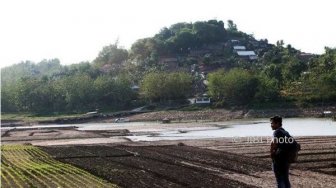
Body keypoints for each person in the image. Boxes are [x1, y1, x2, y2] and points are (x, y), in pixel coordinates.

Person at [270, 116, 291, 188]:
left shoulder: (277, 132)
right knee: (286, 179)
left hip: (279, 159)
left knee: (279, 180)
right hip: (286, 159)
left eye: (272, 123)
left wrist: (272, 154)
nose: (271, 125)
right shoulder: (285, 132)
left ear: (277, 123)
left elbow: (274, 144)